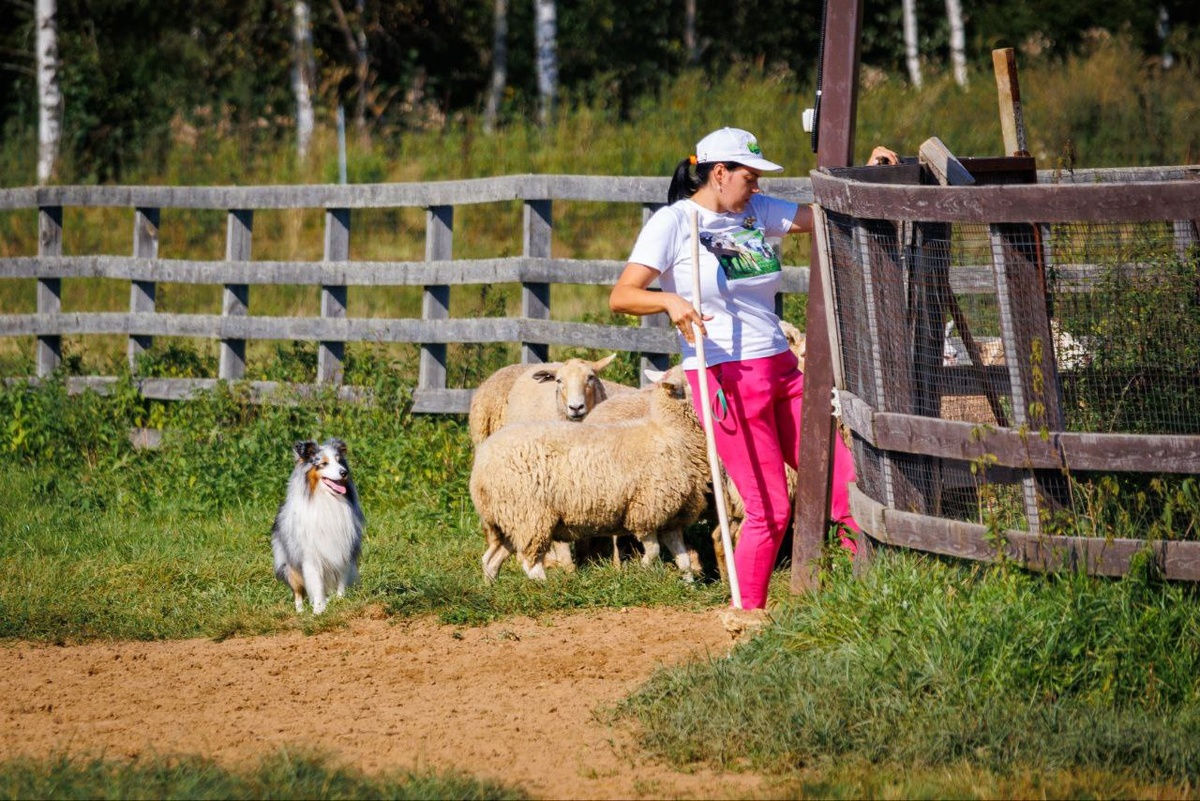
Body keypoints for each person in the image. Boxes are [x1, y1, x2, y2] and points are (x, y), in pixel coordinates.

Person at [609, 127, 898, 615]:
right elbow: (622, 295)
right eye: (750, 176)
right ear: (719, 174)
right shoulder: (674, 222)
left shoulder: (757, 211)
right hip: (724, 377)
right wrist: (669, 301)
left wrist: (865, 176)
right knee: (770, 510)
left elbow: (826, 216)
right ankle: (747, 619)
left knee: (844, 489)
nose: (758, 186)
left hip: (784, 371)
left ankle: (858, 606)